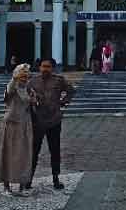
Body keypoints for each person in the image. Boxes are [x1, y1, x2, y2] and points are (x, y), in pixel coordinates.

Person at [27, 58, 76, 190]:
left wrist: (63, 101)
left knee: (55, 150)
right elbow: (26, 96)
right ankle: (28, 179)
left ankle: (56, 178)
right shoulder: (32, 81)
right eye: (43, 66)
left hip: (54, 120)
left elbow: (71, 90)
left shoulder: (59, 80)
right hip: (38, 121)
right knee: (34, 151)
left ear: (52, 68)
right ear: (39, 67)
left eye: (48, 67)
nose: (45, 69)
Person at [0, 63, 35, 197]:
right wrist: (14, 77)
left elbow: (33, 104)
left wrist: (34, 101)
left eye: (26, 74)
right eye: (22, 74)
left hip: (24, 124)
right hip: (11, 124)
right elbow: (9, 90)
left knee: (25, 154)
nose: (24, 77)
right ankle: (6, 186)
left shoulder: (29, 89)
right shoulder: (12, 86)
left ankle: (22, 186)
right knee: (7, 154)